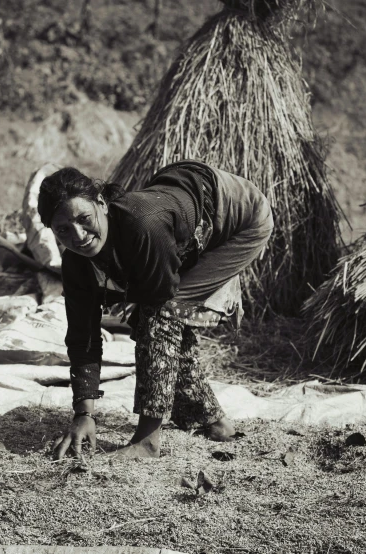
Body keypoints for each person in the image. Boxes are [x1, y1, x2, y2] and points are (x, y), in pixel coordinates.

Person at [38, 160, 273, 459]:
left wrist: (146, 433)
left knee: (160, 315)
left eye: (84, 219)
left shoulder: (144, 225)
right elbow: (83, 335)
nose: (78, 235)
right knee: (153, 316)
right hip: (184, 195)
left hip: (239, 215)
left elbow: (161, 315)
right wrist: (84, 414)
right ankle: (213, 422)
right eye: (63, 229)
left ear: (101, 203)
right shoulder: (76, 264)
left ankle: (148, 441)